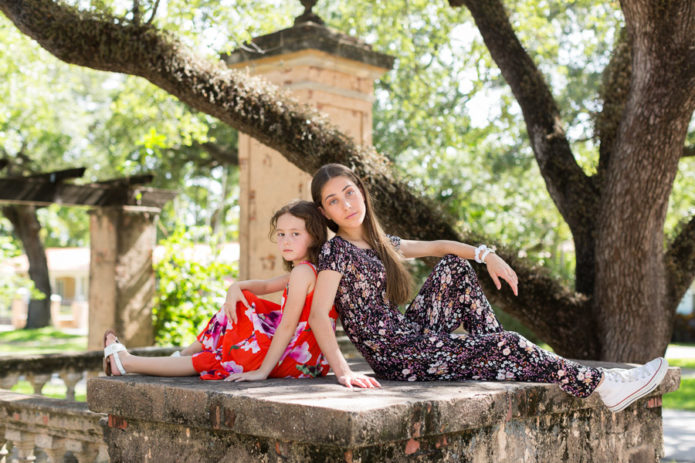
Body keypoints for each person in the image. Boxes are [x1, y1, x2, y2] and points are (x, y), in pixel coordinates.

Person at [307, 163, 668, 413]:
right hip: (397, 357)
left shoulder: (380, 242)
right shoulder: (335, 252)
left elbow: (438, 246)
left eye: (350, 192)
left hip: (411, 337)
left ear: (362, 193)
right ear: (325, 213)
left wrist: (487, 255)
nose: (347, 204)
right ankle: (604, 384)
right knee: (508, 343)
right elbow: (318, 315)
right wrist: (344, 371)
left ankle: (497, 359)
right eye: (334, 201)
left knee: (455, 266)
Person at [103, 200, 338, 382]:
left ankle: (130, 362)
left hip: (295, 359)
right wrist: (235, 286)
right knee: (240, 302)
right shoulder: (310, 271)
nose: (286, 241)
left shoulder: (303, 273)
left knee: (218, 354)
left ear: (314, 236)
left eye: (295, 234)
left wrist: (262, 371)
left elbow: (287, 326)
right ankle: (144, 361)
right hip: (309, 360)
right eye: (281, 234)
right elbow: (265, 286)